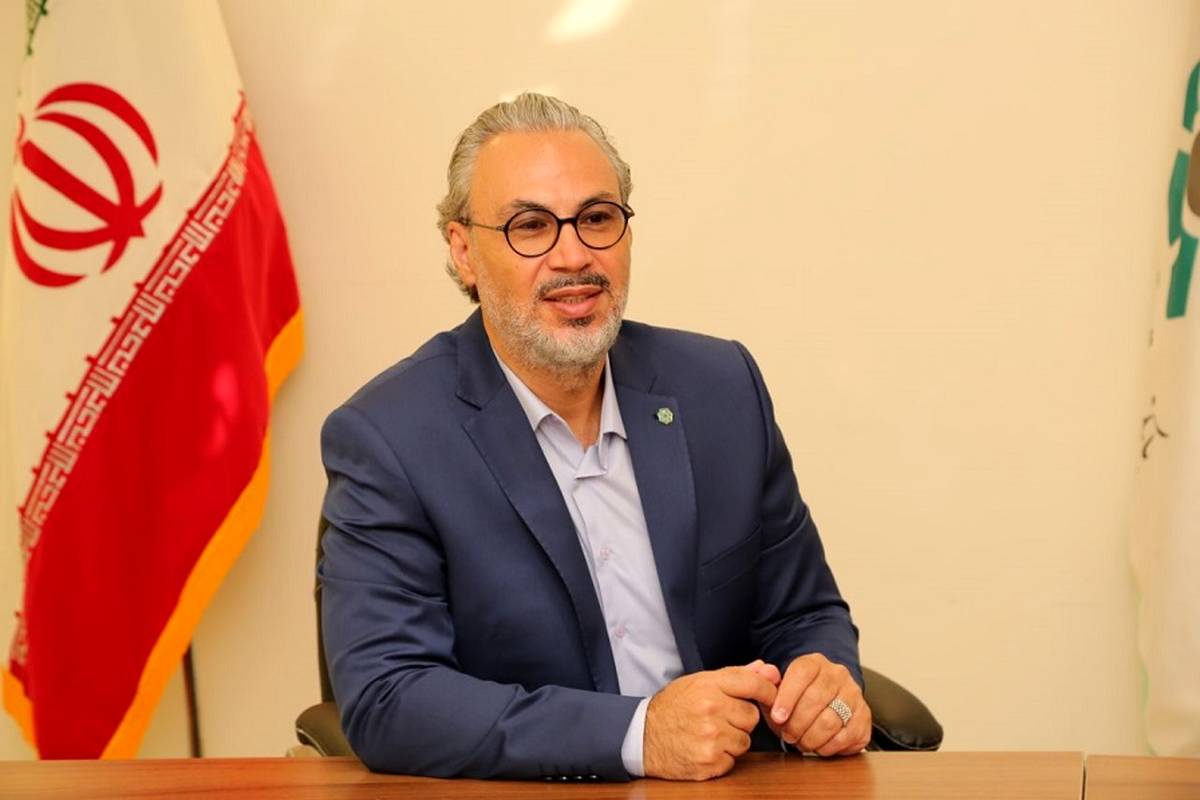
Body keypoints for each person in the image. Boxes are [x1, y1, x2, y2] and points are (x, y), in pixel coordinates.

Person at [318, 92, 871, 781]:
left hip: (730, 784)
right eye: (530, 226)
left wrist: (824, 683)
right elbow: (390, 698)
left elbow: (802, 614)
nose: (573, 255)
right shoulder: (390, 437)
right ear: (464, 252)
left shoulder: (721, 389)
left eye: (597, 218)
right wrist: (639, 735)